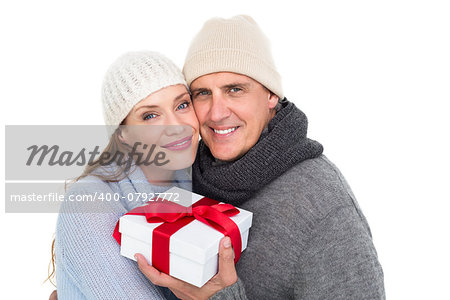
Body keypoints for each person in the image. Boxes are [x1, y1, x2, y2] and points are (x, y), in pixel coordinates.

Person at [135, 15, 386, 299]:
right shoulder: (189, 170)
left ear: (271, 95)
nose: (217, 113)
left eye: (235, 90)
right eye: (203, 93)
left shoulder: (322, 206)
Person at [52, 51, 207, 299]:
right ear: (123, 134)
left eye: (182, 104)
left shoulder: (194, 179)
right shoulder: (88, 203)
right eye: (150, 115)